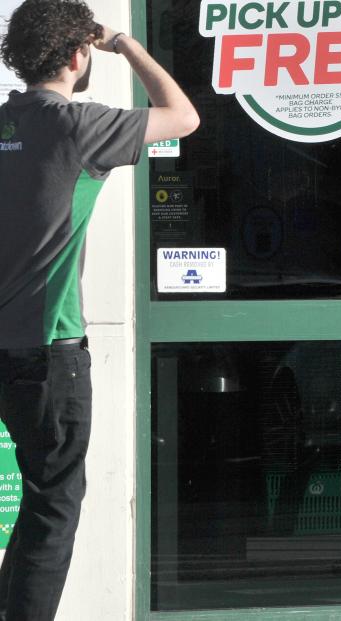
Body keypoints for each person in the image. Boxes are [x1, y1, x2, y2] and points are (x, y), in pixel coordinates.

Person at [0, 0, 199, 617]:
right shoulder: (77, 124)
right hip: (48, 350)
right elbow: (184, 117)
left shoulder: (5, 121)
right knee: (53, 507)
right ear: (76, 53)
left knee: (39, 505)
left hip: (8, 350)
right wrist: (125, 43)